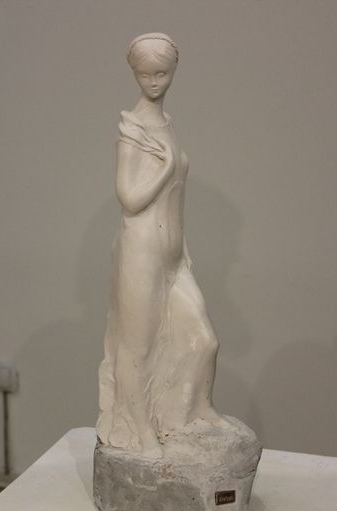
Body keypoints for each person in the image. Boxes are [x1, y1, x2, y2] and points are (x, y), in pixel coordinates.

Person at [96, 33, 228, 458]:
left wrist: (183, 249)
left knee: (204, 340)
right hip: (142, 252)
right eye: (145, 74)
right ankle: (141, 430)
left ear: (174, 71)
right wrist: (167, 165)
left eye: (162, 73)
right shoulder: (132, 129)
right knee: (138, 347)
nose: (154, 82)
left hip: (173, 255)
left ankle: (197, 409)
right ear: (134, 73)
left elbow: (176, 199)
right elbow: (129, 198)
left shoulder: (166, 123)